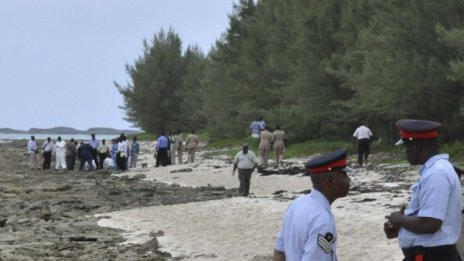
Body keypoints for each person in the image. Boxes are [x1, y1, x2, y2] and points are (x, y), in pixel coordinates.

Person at [384, 119, 462, 261]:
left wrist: (399, 219)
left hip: (432, 255)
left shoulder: (436, 174)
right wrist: (401, 225)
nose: (404, 152)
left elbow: (430, 224)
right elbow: (426, 216)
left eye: (406, 147)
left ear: (416, 147)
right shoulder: (434, 170)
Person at [273, 149, 352, 260]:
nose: (349, 179)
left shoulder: (297, 204)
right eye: (344, 175)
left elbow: (279, 252)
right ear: (331, 180)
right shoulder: (322, 219)